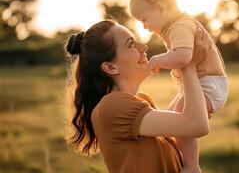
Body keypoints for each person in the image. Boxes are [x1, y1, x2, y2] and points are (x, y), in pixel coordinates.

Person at [65, 20, 210, 173]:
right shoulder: (112, 106)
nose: (143, 47)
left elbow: (185, 129)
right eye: (130, 44)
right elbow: (196, 125)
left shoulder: (142, 100)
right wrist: (187, 64)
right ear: (111, 67)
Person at [130, 0, 228, 172]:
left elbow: (183, 57)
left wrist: (157, 60)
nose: (144, 27)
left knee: (184, 120)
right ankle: (179, 159)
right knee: (174, 116)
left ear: (161, 8)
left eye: (144, 19)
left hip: (209, 84)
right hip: (202, 84)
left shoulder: (180, 26)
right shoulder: (176, 26)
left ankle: (192, 166)